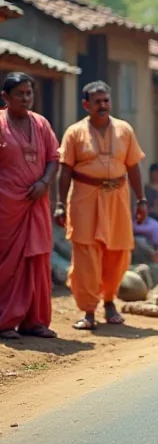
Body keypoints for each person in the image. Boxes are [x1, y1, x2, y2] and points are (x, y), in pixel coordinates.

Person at [54, 81, 147, 331]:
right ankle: (88, 311)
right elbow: (64, 171)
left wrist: (141, 200)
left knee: (117, 253)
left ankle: (109, 302)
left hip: (117, 197)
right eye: (97, 101)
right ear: (86, 105)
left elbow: (133, 167)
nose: (102, 105)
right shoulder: (74, 133)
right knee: (86, 255)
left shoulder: (124, 130)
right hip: (84, 197)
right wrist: (60, 204)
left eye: (106, 100)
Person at [0, 73, 59, 339]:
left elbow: (53, 157)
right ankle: (4, 322)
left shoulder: (41, 124)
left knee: (37, 259)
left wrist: (45, 182)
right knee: (7, 264)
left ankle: (34, 321)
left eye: (29, 93)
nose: (26, 98)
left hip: (36, 203)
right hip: (6, 207)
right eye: (19, 94)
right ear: (5, 97)